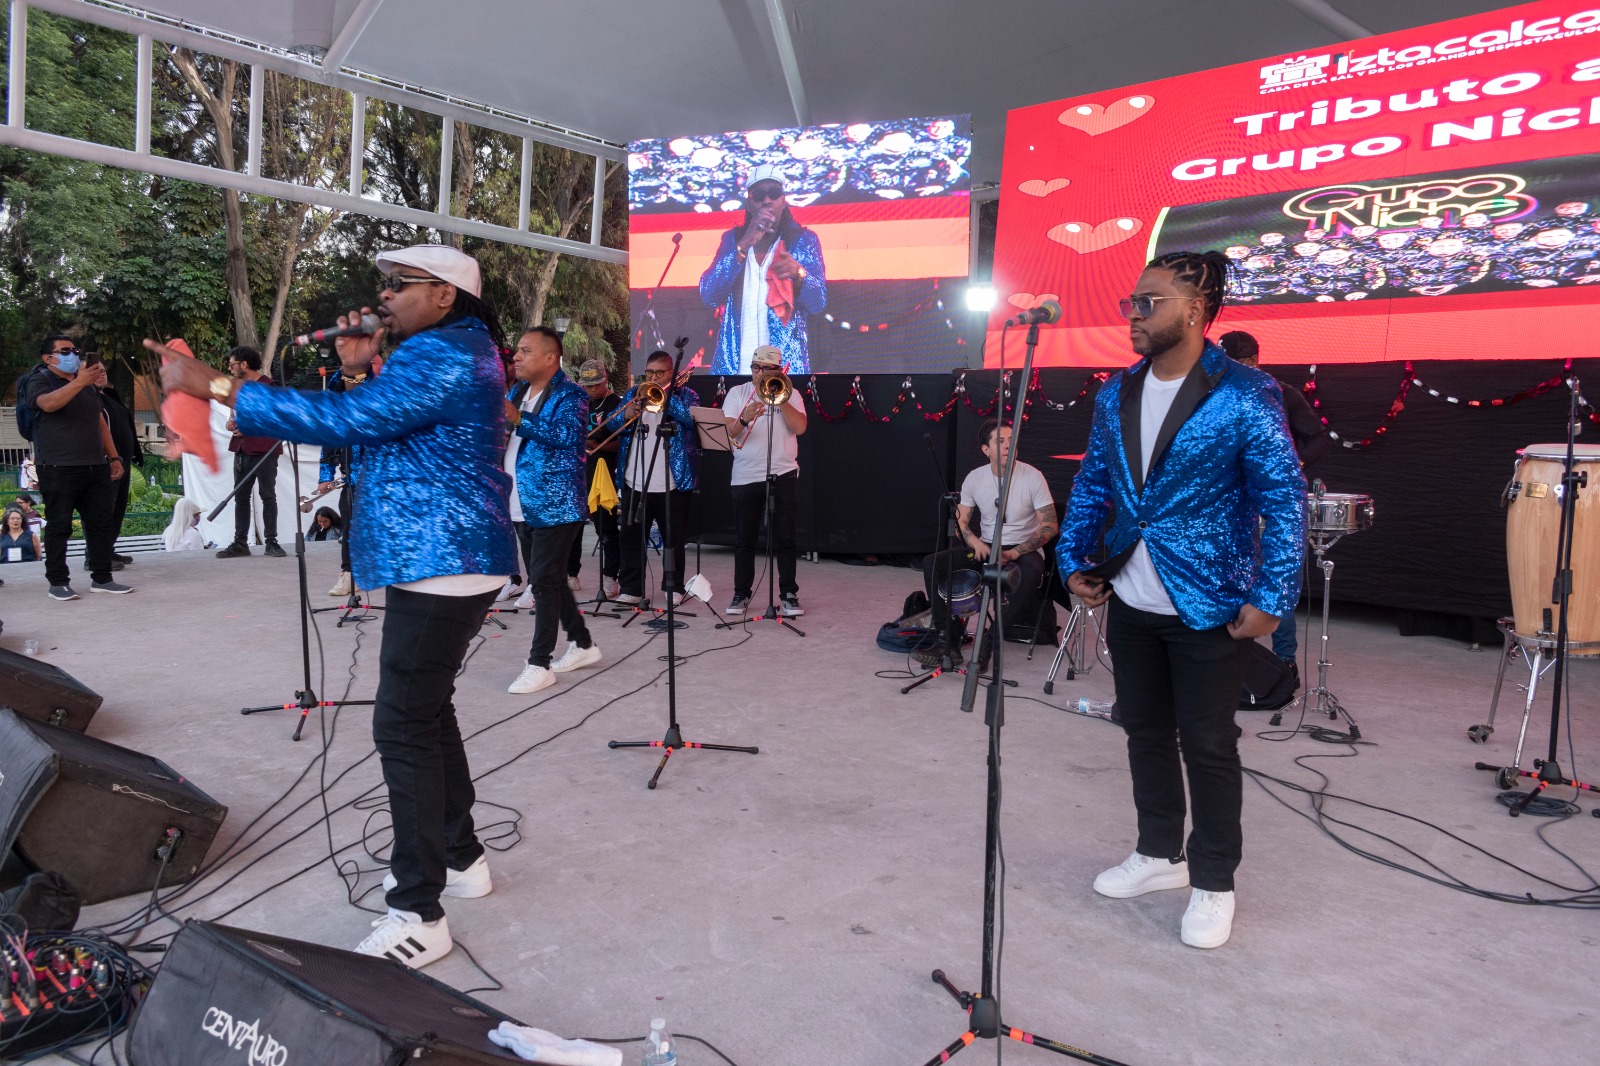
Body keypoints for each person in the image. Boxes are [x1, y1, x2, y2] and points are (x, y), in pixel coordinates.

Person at [153, 243, 517, 971]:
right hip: (446, 553)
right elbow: (383, 418)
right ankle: (460, 857)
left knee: (403, 723)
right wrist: (356, 369)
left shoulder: (444, 351)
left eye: (401, 284)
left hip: (442, 555)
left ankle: (419, 912)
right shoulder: (459, 348)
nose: (386, 297)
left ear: (445, 295)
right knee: (426, 711)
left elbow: (352, 423)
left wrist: (218, 384)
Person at [1058, 250, 1305, 950]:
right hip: (1132, 597)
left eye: (1150, 302)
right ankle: (1158, 852)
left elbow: (1284, 500)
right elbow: (1094, 485)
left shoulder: (1245, 392)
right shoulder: (1117, 391)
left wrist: (1272, 594)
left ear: (1196, 311)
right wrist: (1073, 559)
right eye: (1131, 303)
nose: (1133, 315)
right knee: (1142, 729)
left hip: (1208, 602)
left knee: (1208, 745)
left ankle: (1214, 880)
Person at [1218, 330, 1333, 679]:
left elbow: (1318, 439)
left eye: (1232, 362)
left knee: (1275, 578)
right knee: (1225, 577)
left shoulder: (1282, 394)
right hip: (1225, 502)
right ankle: (1227, 657)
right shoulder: (1210, 393)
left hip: (1269, 500)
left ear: (1253, 361)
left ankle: (1284, 662)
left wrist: (1291, 466)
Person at [504, 326, 602, 695]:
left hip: (556, 505)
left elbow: (568, 436)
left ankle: (539, 664)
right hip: (521, 501)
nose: (517, 357)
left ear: (550, 358)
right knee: (552, 579)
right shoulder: (517, 391)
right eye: (517, 350)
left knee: (543, 582)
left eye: (525, 350)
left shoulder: (571, 394)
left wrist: (518, 418)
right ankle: (582, 643)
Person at [918, 419, 1057, 669]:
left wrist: (1014, 552)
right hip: (986, 547)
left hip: (1023, 549)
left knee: (1032, 571)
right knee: (932, 563)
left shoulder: (1033, 476)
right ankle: (946, 638)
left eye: (1011, 439)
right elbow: (960, 521)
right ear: (986, 449)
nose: (1008, 445)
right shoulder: (975, 478)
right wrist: (974, 542)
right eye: (1000, 441)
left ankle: (989, 641)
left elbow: (1049, 526)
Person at [22, 335, 132, 600]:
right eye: (65, 351)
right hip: (58, 467)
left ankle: (102, 578)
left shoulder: (87, 386)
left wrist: (114, 458)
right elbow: (48, 404)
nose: (72, 354)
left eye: (74, 350)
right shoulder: (40, 380)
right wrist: (81, 381)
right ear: (48, 358)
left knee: (100, 524)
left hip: (95, 466)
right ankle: (58, 582)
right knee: (59, 526)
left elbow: (99, 422)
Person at [699, 165, 827, 375]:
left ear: (783, 201)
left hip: (783, 371)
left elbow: (818, 303)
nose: (767, 200)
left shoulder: (803, 240)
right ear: (749, 204)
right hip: (735, 369)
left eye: (774, 193)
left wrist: (799, 274)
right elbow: (709, 295)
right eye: (759, 195)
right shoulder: (732, 240)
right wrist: (743, 246)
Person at [597, 350, 699, 607]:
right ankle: (631, 588)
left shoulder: (687, 395)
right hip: (635, 479)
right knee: (631, 537)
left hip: (672, 482)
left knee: (673, 539)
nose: (652, 377)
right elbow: (611, 426)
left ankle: (673, 586)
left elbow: (691, 421)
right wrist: (626, 415)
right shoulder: (634, 394)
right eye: (649, 372)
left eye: (659, 373)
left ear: (671, 373)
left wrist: (667, 399)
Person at [721, 344, 807, 617]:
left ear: (778, 371)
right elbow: (728, 434)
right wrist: (745, 418)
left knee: (786, 537)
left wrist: (781, 401)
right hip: (746, 475)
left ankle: (789, 594)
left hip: (783, 472)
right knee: (744, 539)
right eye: (755, 367)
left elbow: (800, 428)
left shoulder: (791, 394)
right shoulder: (738, 393)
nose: (759, 373)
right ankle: (741, 594)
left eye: (766, 369)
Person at [215, 347, 285, 559]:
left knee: (267, 495)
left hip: (265, 449)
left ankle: (271, 542)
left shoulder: (269, 387)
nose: (230, 368)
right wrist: (231, 422)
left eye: (232, 364)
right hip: (242, 449)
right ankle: (240, 543)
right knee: (241, 497)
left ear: (244, 364)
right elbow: (235, 415)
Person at [317, 360, 379, 598]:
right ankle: (350, 575)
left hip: (380, 480)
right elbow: (328, 446)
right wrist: (325, 477)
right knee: (350, 530)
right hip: (352, 483)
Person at [570, 359, 623, 599]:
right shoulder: (579, 403)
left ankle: (611, 575)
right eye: (587, 386)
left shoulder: (616, 404)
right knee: (574, 526)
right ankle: (571, 573)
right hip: (578, 471)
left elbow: (621, 443)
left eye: (595, 385)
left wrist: (593, 444)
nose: (591, 390)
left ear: (606, 380)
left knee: (606, 528)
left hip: (603, 473)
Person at [98, 373, 142, 568]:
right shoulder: (87, 398)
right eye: (95, 370)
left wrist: (135, 453)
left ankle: (108, 549)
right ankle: (96, 556)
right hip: (105, 463)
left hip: (123, 461)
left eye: (103, 371)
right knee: (103, 509)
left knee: (117, 508)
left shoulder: (111, 397)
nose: (100, 374)